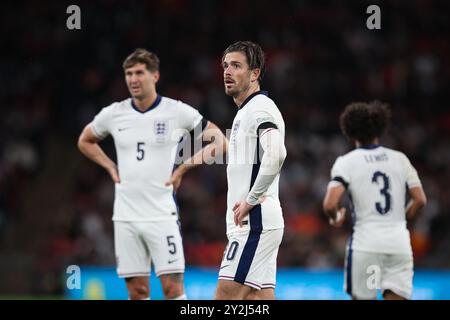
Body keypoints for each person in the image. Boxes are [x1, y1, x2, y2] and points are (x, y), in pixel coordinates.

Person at [78, 48, 228, 300]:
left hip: (161, 215)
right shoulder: (114, 113)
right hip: (125, 217)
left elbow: (220, 142)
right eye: (128, 74)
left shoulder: (176, 111)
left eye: (139, 73)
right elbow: (85, 140)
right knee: (137, 292)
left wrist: (183, 167)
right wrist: (109, 166)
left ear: (155, 76)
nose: (133, 79)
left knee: (173, 290)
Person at [323, 101, 427, 300]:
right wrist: (402, 220)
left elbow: (329, 203)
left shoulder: (347, 162)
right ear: (380, 129)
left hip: (366, 244)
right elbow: (420, 200)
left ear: (350, 132)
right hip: (398, 243)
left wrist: (335, 216)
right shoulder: (400, 159)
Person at [214, 41, 287, 300]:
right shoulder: (246, 112)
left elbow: (277, 153)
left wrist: (250, 200)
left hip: (255, 223)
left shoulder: (260, 109)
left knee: (225, 297)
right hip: (257, 223)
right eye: (225, 66)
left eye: (236, 66)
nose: (227, 72)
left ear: (255, 74)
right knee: (256, 300)